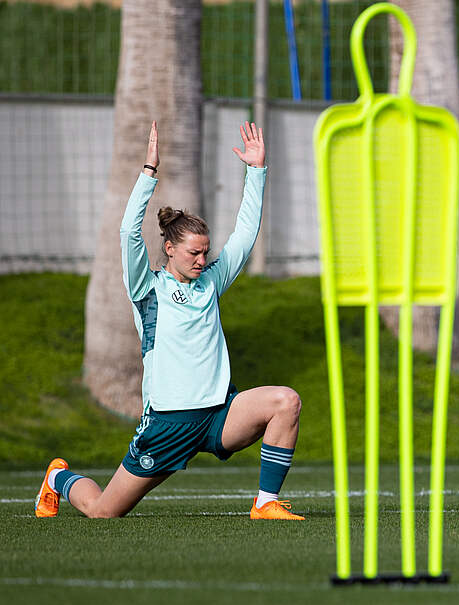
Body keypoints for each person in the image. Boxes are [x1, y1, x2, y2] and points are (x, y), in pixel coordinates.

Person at [34, 121, 304, 520]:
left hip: (217, 414)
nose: (201, 259)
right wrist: (148, 174)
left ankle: (265, 503)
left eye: (206, 251)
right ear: (170, 248)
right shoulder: (147, 287)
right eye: (194, 252)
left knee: (286, 402)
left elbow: (245, 235)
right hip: (167, 424)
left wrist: (256, 171)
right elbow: (128, 233)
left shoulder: (210, 282)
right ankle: (59, 479)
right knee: (103, 512)